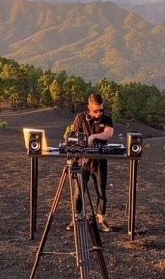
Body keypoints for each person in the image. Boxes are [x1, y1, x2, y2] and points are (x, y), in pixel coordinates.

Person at [66, 93, 114, 233]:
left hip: (99, 162)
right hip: (83, 161)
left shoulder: (106, 119)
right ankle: (77, 217)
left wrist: (94, 136)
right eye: (95, 110)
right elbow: (74, 136)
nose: (99, 113)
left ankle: (101, 218)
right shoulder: (80, 118)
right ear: (89, 107)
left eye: (101, 110)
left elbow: (109, 133)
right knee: (78, 192)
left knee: (101, 192)